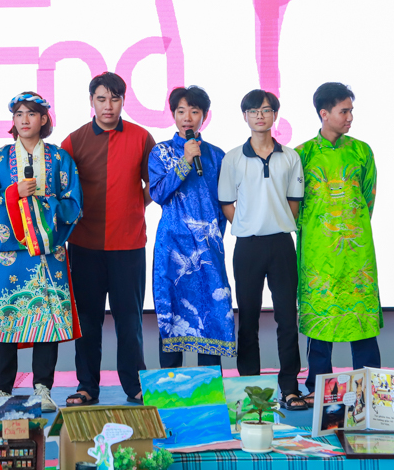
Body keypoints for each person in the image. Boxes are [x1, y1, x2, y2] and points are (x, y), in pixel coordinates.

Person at [0, 91, 83, 412]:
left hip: (48, 253)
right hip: (10, 255)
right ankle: (1, 390)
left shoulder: (60, 158)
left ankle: (42, 389)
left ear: (43, 119)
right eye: (18, 114)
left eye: (31, 114)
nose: (24, 120)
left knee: (47, 318)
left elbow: (73, 203)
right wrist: (12, 193)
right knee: (7, 317)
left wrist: (44, 207)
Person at [62, 72, 156, 406]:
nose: (108, 106)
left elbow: (154, 185)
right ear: (91, 101)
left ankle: (135, 385)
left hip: (128, 245)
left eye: (115, 99)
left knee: (129, 321)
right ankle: (87, 386)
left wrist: (133, 206)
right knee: (87, 321)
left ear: (123, 101)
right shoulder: (73, 141)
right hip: (84, 245)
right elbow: (61, 190)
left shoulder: (142, 138)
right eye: (101, 99)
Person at [219, 89, 306, 411]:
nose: (260, 116)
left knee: (287, 318)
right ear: (245, 116)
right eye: (254, 111)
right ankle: (250, 389)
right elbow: (227, 203)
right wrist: (248, 223)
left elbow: (294, 203)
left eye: (266, 110)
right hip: (248, 246)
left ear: (275, 115)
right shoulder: (233, 158)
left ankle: (290, 388)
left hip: (281, 244)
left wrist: (275, 221)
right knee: (248, 319)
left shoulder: (290, 157)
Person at [295, 83, 381, 404]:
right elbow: (295, 207)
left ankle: (370, 390)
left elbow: (368, 199)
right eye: (344, 111)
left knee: (363, 322)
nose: (349, 117)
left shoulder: (362, 151)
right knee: (321, 322)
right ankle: (318, 389)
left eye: (351, 111)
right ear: (324, 113)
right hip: (317, 253)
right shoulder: (302, 155)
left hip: (357, 254)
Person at [149, 86, 235, 368]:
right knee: (172, 313)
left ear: (204, 116)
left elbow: (223, 204)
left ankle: (207, 389)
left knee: (210, 314)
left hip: (207, 250)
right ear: (173, 115)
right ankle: (172, 387)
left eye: (194, 111)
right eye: (181, 111)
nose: (187, 117)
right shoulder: (160, 152)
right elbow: (158, 193)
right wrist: (185, 161)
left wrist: (214, 238)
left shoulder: (217, 156)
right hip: (172, 247)